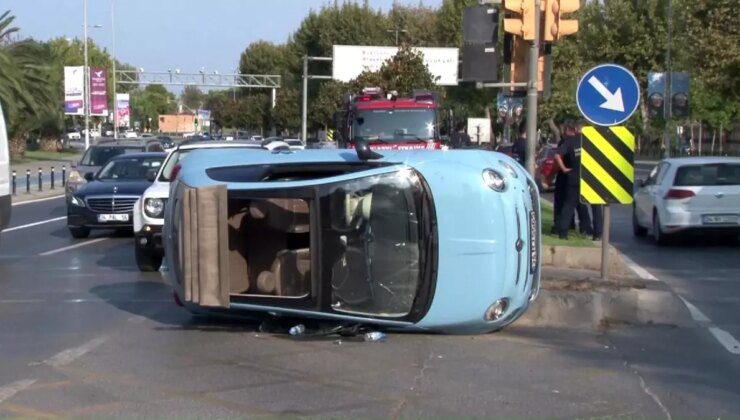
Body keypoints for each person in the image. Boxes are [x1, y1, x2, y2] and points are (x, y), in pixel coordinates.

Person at [553, 120, 591, 239]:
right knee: (582, 205)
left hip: (572, 178)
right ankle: (587, 229)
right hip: (584, 178)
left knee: (568, 206)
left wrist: (564, 169)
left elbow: (557, 155)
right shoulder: (586, 142)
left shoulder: (569, 142)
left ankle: (563, 232)